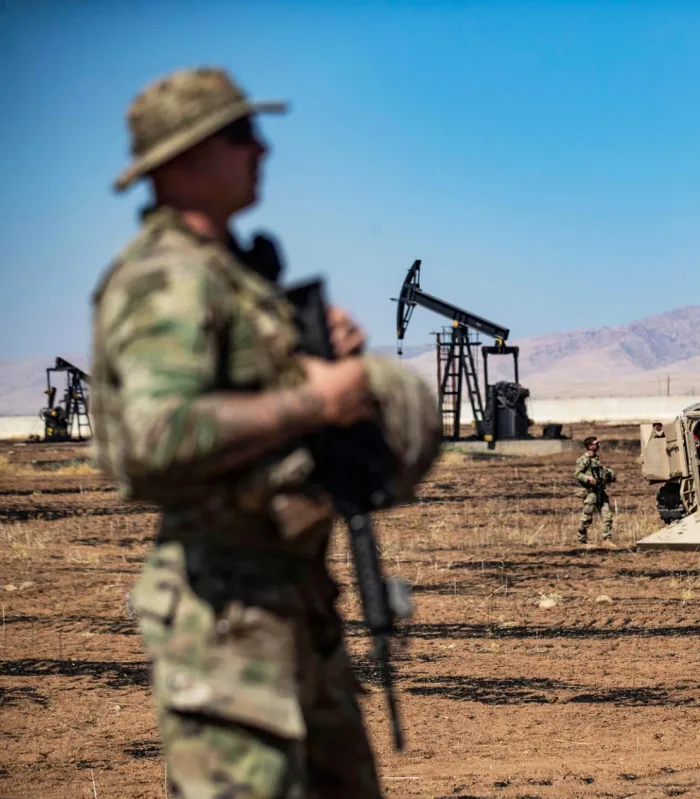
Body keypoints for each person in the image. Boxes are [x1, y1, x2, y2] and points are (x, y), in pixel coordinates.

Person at [90, 67, 441, 798]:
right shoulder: (166, 279)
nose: (263, 151)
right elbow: (156, 437)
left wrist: (316, 361)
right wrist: (314, 402)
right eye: (242, 135)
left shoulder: (231, 276)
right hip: (224, 620)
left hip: (293, 603)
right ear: (185, 160)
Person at [573, 436, 616, 546]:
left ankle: (607, 540)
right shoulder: (583, 460)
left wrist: (609, 475)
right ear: (590, 446)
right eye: (597, 443)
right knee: (587, 516)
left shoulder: (596, 459)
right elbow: (577, 474)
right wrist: (588, 478)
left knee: (607, 516)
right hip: (591, 493)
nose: (599, 445)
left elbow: (601, 472)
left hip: (600, 492)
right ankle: (581, 540)